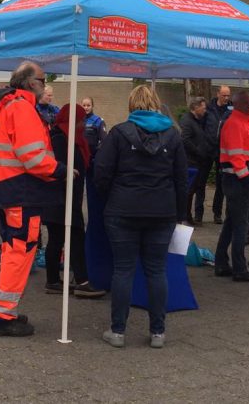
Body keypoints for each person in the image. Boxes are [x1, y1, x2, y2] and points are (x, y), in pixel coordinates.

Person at [92, 85, 187, 349]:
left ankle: (118, 331)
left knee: (123, 270)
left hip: (123, 209)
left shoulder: (119, 133)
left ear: (132, 105)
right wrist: (179, 214)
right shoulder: (173, 135)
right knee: (156, 271)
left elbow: (101, 171)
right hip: (162, 211)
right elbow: (181, 179)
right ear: (156, 102)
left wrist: (111, 195)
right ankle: (158, 332)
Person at [0, 61, 69, 338]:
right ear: (31, 83)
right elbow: (33, 157)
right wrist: (63, 171)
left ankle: (4, 310)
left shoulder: (4, 105)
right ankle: (3, 316)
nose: (46, 84)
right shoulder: (21, 108)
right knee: (20, 250)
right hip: (20, 190)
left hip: (5, 189)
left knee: (12, 249)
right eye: (43, 79)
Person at [43, 104, 104, 298]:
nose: (82, 124)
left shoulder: (68, 138)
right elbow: (60, 168)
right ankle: (81, 281)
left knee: (57, 239)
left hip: (63, 198)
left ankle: (53, 280)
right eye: (79, 120)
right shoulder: (61, 139)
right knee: (75, 238)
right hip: (61, 198)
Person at [213, 91, 249, 282]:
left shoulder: (241, 122)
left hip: (238, 179)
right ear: (237, 103)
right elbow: (236, 156)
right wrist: (247, 177)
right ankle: (239, 269)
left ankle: (221, 262)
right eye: (247, 103)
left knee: (232, 223)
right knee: (241, 225)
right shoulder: (235, 123)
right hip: (237, 180)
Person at [179, 96, 213, 225]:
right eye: (203, 108)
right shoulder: (187, 121)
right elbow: (185, 140)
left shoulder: (197, 121)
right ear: (196, 107)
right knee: (189, 191)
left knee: (193, 190)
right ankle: (185, 216)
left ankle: (187, 216)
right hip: (190, 162)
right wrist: (198, 152)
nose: (205, 111)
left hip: (197, 161)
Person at [207, 85, 233, 224]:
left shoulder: (232, 110)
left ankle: (217, 213)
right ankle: (197, 213)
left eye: (228, 95)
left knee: (221, 183)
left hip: (223, 151)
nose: (226, 98)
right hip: (209, 149)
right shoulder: (209, 108)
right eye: (224, 95)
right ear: (218, 94)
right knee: (200, 182)